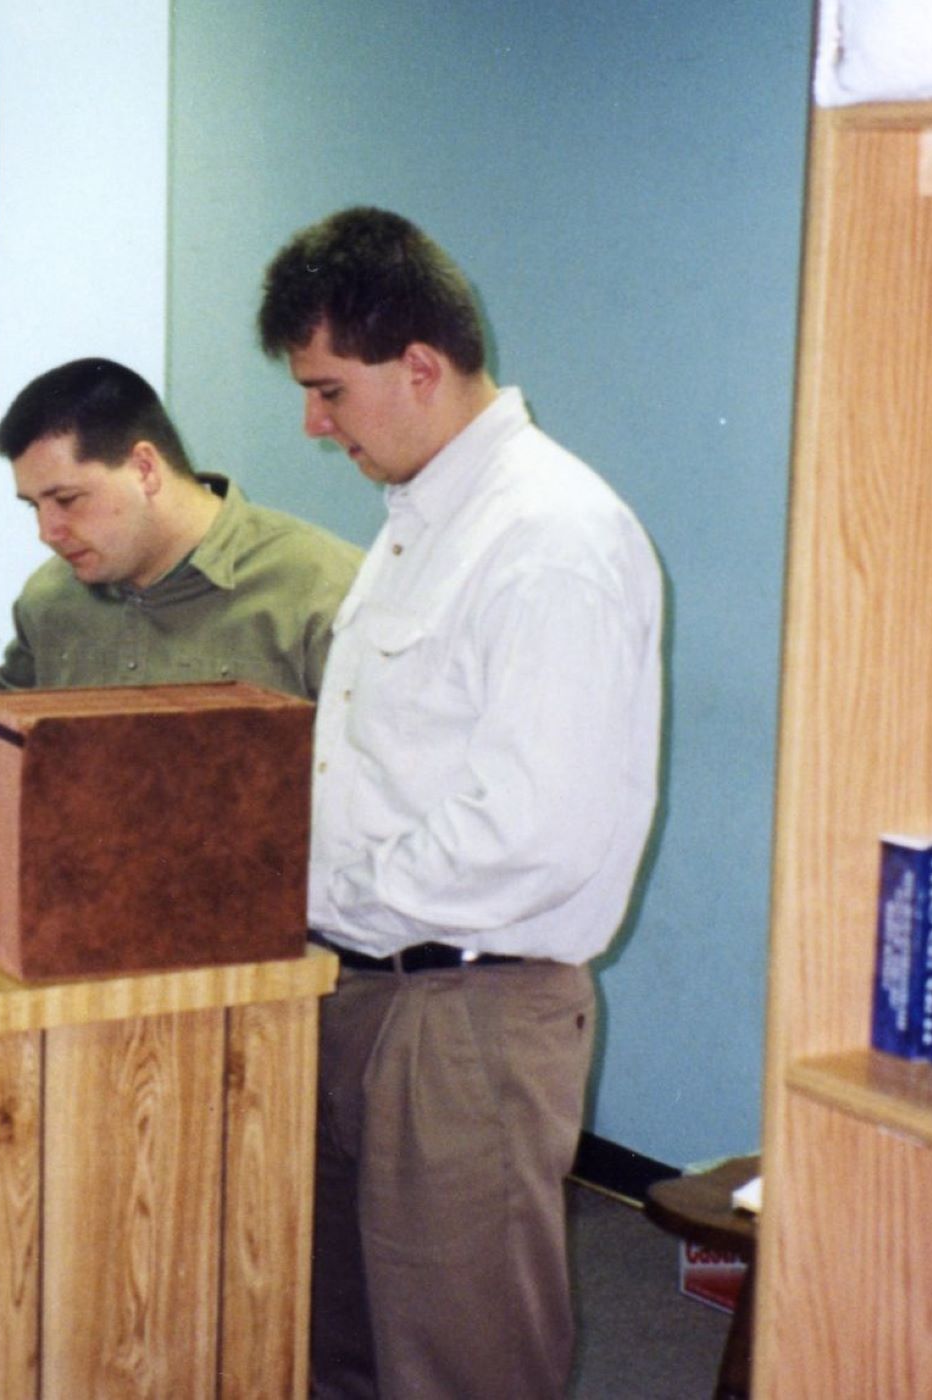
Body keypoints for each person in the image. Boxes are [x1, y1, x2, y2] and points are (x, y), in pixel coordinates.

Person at [258, 207, 664, 1399]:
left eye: (328, 390)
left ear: (420, 367)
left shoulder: (549, 537)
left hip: (466, 1016)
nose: (310, 421)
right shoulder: (416, 524)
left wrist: (317, 892)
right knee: (333, 1348)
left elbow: (531, 831)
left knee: (460, 1364)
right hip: (359, 988)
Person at [0, 357, 360, 759]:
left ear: (144, 468)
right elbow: (6, 746)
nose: (47, 532)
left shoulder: (324, 590)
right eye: (33, 506)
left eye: (68, 499)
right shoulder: (51, 600)